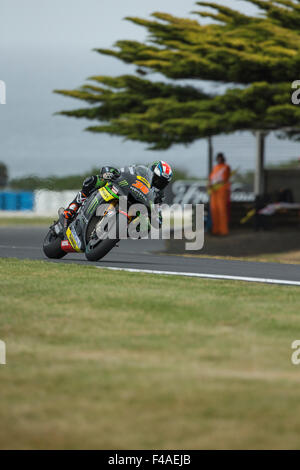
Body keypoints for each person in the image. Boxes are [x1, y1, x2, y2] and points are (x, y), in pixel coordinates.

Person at [63, 161, 173, 223]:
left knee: (146, 225)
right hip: (124, 190)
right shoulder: (139, 170)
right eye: (158, 179)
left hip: (133, 207)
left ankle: (118, 231)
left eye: (163, 182)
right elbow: (123, 171)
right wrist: (112, 173)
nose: (159, 183)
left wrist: (155, 218)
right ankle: (73, 207)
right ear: (151, 172)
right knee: (95, 180)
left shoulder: (158, 195)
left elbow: (158, 217)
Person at [208, 152, 231, 236]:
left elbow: (224, 178)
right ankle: (215, 229)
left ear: (223, 158)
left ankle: (223, 230)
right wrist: (210, 184)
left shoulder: (226, 167)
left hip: (222, 190)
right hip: (214, 191)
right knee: (214, 210)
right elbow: (212, 178)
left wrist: (214, 183)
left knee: (222, 210)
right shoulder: (215, 167)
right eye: (218, 158)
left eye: (220, 158)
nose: (219, 159)